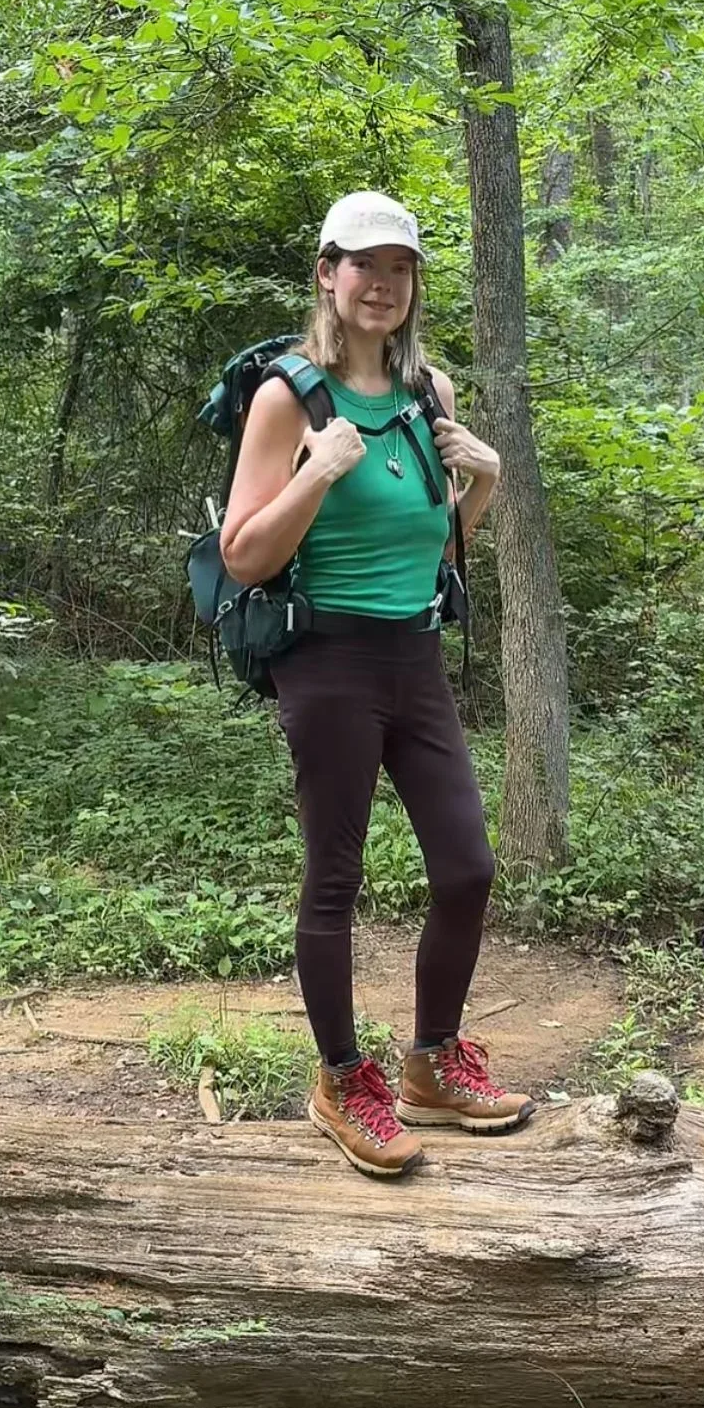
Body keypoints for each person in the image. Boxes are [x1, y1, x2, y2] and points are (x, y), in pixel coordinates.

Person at [220, 191, 535, 1179]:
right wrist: (315, 475)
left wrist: (480, 484)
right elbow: (240, 554)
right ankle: (338, 1076)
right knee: (335, 878)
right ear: (327, 272)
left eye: (399, 267)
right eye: (363, 264)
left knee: (468, 866)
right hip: (328, 665)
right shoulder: (288, 394)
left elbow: (437, 553)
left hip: (412, 655)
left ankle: (431, 1060)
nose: (382, 283)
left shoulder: (427, 392)